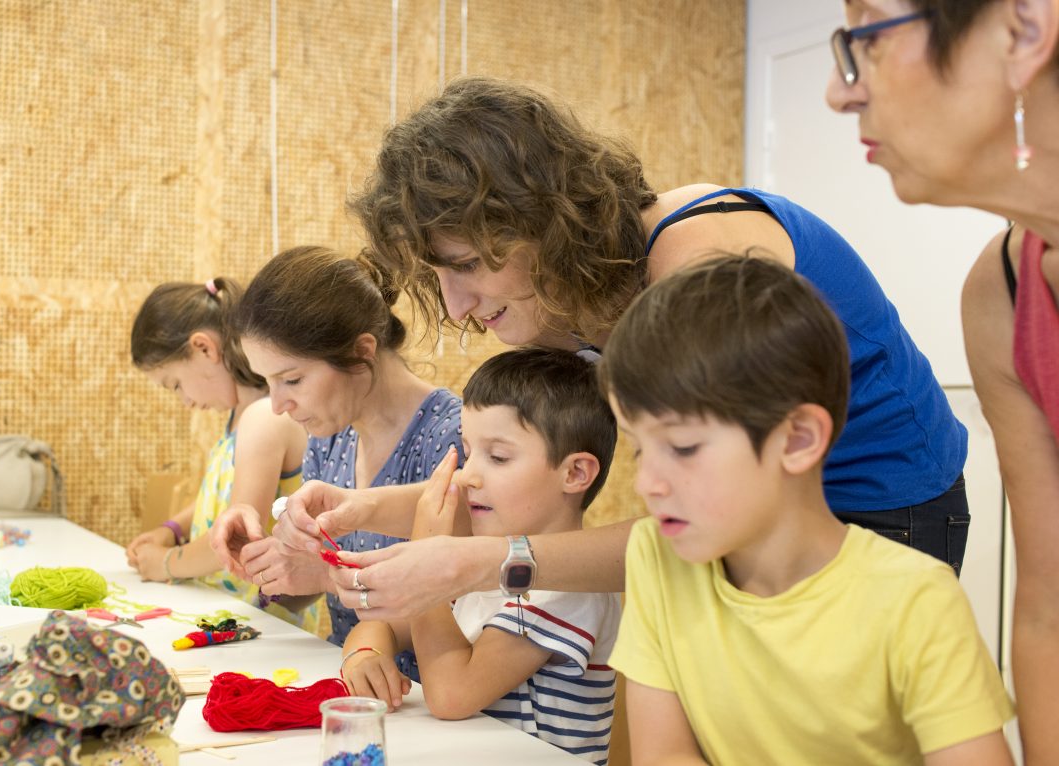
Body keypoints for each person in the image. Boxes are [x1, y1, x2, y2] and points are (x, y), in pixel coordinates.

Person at [237, 76, 968, 622]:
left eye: (465, 265)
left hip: (885, 506)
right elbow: (526, 489)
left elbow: (700, 519)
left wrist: (478, 565)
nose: (457, 305)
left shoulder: (692, 261)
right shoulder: (570, 310)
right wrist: (361, 506)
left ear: (538, 220)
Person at [603, 255, 1011, 764]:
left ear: (797, 439)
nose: (647, 483)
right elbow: (664, 756)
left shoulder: (915, 600)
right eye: (640, 448)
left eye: (683, 448)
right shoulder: (657, 558)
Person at [825, 2, 1059, 759]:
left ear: (1024, 31)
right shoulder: (1002, 295)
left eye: (865, 38)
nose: (840, 90)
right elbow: (1049, 610)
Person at [342, 348, 620, 765]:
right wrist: (364, 655)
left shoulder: (568, 588)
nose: (468, 475)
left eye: (498, 457)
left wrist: (427, 560)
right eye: (468, 452)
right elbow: (382, 622)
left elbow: (452, 694)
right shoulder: (486, 565)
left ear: (575, 473)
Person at [214, 246, 464, 666]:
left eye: (291, 379)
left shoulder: (451, 439)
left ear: (362, 351)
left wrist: (328, 576)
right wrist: (272, 563)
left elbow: (460, 602)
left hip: (428, 701)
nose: (278, 406)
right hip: (345, 683)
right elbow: (308, 586)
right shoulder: (329, 436)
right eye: (268, 383)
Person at [125, 277, 321, 634]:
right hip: (227, 610)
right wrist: (172, 529)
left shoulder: (265, 419)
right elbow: (221, 501)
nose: (184, 401)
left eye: (175, 384)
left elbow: (233, 540)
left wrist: (166, 563)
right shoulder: (239, 416)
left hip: (262, 625)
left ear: (203, 348)